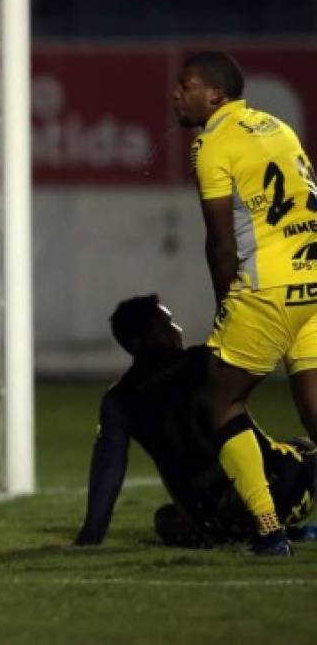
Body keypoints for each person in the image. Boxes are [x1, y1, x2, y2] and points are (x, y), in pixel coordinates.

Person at [173, 51, 317, 555]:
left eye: (186, 85)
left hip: (268, 287)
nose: (177, 94)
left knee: (218, 401)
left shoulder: (212, 142)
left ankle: (269, 530)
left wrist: (225, 302)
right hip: (313, 277)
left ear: (214, 95)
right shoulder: (279, 127)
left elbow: (220, 242)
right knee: (315, 412)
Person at [75, 295, 317, 549]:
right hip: (281, 492)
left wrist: (90, 536)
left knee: (167, 519)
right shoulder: (205, 363)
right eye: (166, 325)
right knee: (306, 446)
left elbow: (108, 471)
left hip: (215, 519)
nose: (176, 330)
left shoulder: (119, 399)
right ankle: (273, 529)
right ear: (141, 339)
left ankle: (267, 531)